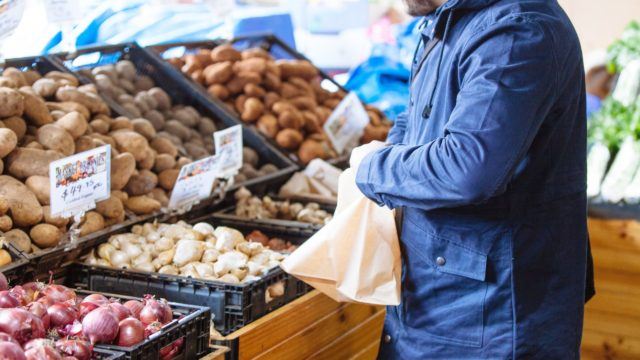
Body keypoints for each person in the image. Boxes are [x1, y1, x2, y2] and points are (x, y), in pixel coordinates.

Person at [350, 0, 595, 358]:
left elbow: (468, 167)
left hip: (492, 316)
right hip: (441, 299)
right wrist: (388, 152)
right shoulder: (452, 21)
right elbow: (415, 118)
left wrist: (371, 169)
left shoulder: (516, 30)